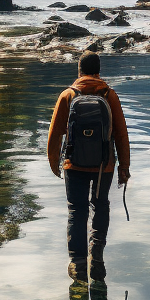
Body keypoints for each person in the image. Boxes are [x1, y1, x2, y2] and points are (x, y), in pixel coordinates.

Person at [47, 50, 130, 283]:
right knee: (101, 206)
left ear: (79, 71)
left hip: (73, 164)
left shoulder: (68, 95)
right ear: (98, 71)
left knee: (77, 211)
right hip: (105, 165)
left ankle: (78, 263)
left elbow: (55, 133)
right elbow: (121, 134)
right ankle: (98, 253)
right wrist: (124, 167)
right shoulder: (109, 95)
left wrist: (54, 161)